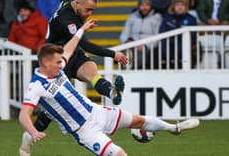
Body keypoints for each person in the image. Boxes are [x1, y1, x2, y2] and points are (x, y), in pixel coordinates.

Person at [19, 19, 200, 156]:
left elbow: (68, 49)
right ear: (45, 62)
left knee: (137, 120)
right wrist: (34, 132)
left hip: (96, 112)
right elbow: (23, 115)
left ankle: (174, 128)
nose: (62, 64)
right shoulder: (36, 86)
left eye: (61, 62)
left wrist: (81, 29)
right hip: (84, 130)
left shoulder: (56, 67)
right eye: (58, 62)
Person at [19, 0, 127, 155]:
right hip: (56, 60)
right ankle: (29, 137)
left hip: (71, 52)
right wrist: (112, 54)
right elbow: (84, 43)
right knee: (50, 114)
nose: (89, 14)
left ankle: (111, 91)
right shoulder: (67, 20)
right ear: (78, 4)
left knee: (91, 70)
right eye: (88, 10)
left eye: (92, 10)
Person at [120, 0, 162, 69]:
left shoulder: (157, 17)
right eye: (142, 5)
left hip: (148, 46)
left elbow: (157, 38)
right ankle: (126, 72)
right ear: (138, 6)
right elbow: (124, 35)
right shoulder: (132, 16)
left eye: (147, 5)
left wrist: (144, 45)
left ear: (151, 6)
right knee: (126, 50)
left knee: (140, 52)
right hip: (132, 44)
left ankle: (134, 70)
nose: (144, 7)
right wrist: (128, 41)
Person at [159, 0, 198, 68]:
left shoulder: (192, 19)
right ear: (173, 6)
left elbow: (193, 36)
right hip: (169, 47)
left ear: (186, 7)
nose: (180, 7)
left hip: (185, 47)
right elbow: (162, 33)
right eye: (177, 5)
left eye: (182, 5)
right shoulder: (167, 18)